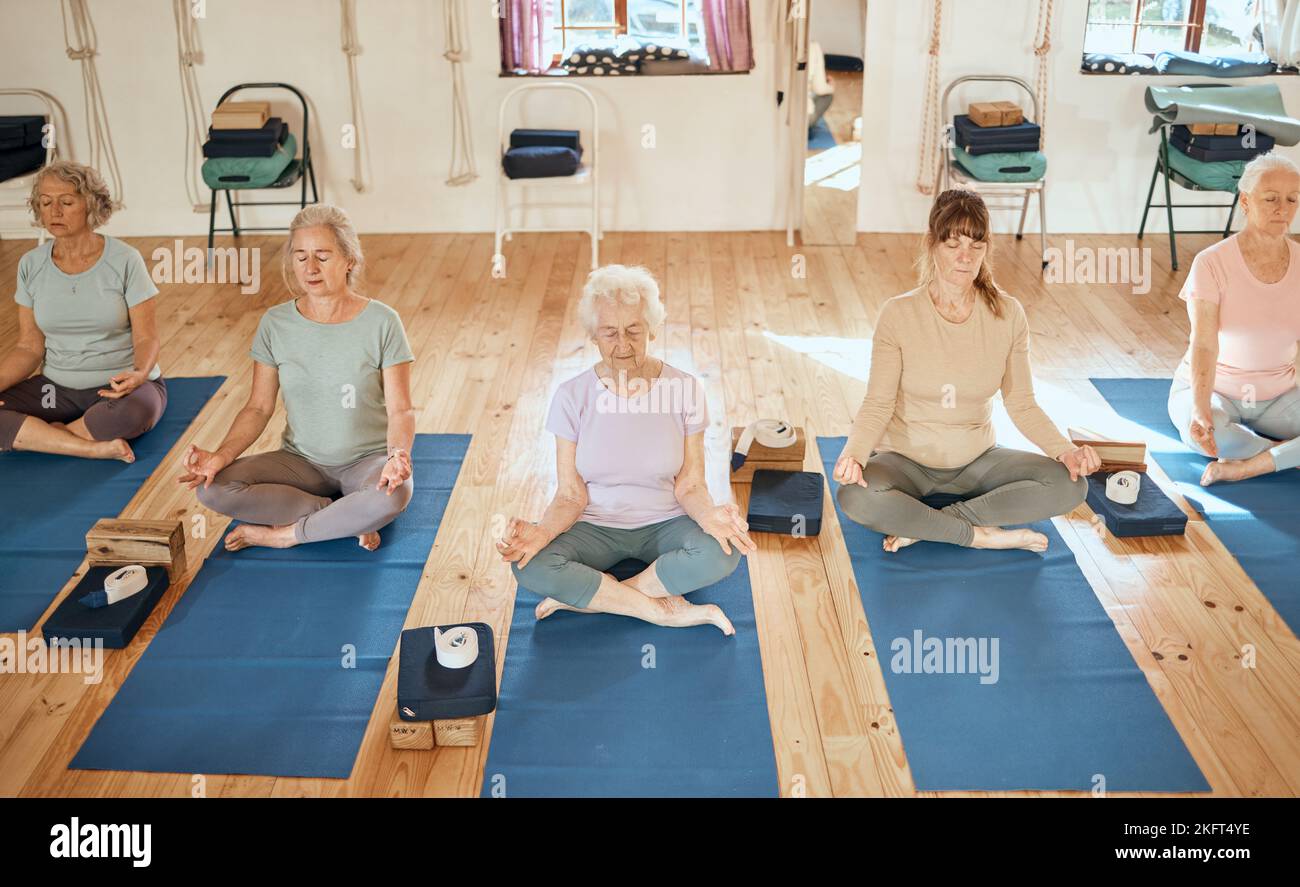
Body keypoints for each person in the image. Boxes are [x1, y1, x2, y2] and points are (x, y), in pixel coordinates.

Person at [833, 188, 1098, 553]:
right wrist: (855, 455)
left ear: (987, 248)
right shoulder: (898, 314)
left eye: (976, 245)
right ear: (932, 244)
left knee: (1070, 485)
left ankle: (930, 525)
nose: (965, 257)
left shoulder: (1008, 314)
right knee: (856, 496)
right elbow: (878, 403)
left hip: (979, 463)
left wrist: (1065, 451)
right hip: (906, 464)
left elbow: (1021, 403)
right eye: (953, 244)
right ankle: (980, 534)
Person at [499, 264, 752, 634]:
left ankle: (592, 600)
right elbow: (570, 494)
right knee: (528, 563)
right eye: (609, 333)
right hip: (596, 524)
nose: (622, 345)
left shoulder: (684, 389)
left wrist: (710, 516)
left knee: (723, 551)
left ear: (651, 328)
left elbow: (690, 484)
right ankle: (659, 610)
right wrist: (542, 534)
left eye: (634, 331)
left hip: (667, 521)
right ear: (593, 335)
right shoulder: (572, 396)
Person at [180, 204, 415, 551]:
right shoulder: (276, 324)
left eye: (322, 255)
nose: (311, 268)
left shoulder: (382, 321)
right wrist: (221, 456)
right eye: (301, 256)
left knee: (391, 498)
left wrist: (397, 456)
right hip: (301, 462)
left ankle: (285, 535)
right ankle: (336, 517)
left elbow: (401, 410)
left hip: (367, 461)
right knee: (211, 487)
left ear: (349, 260)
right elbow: (258, 408)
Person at [0, 161, 165, 461]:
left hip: (119, 388)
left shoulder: (125, 259)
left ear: (90, 205)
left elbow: (146, 338)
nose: (54, 212)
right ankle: (90, 447)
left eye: (66, 202)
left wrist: (140, 374)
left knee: (136, 412)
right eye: (46, 202)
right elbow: (28, 346)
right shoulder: (31, 264)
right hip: (55, 392)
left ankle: (46, 436)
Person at [1167, 152, 1300, 486]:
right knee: (1204, 435)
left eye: (1291, 199)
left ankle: (1247, 465)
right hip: (1217, 392)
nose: (1281, 208)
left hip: (1278, 397)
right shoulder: (1211, 263)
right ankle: (1284, 455)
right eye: (1270, 199)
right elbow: (1204, 344)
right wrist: (1200, 408)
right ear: (1245, 201)